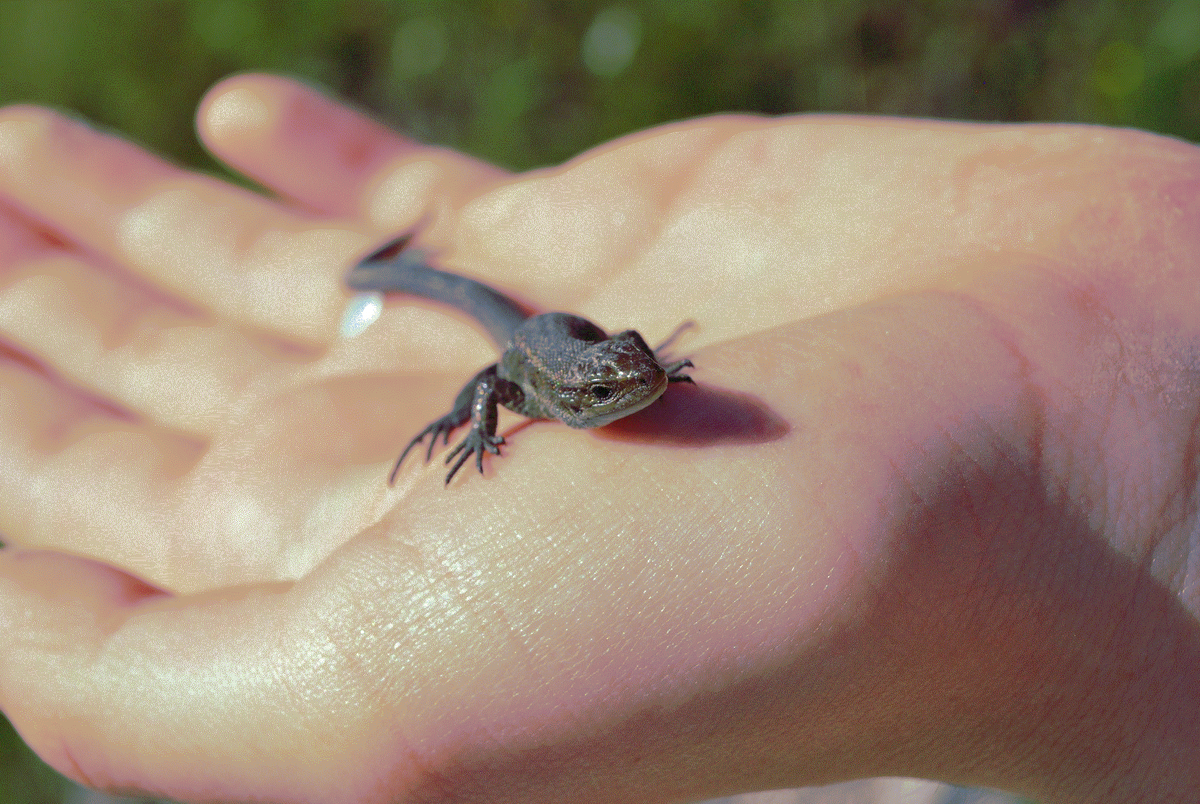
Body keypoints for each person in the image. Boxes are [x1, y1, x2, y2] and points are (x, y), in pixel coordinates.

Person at [0, 73, 1195, 804]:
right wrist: (471, 418)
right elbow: (520, 365)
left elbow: (617, 359)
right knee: (489, 340)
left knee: (570, 336)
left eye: (642, 383)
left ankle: (399, 266)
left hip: (564, 340)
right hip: (527, 354)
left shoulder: (624, 382)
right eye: (631, 385)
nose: (646, 394)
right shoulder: (557, 389)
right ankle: (393, 270)